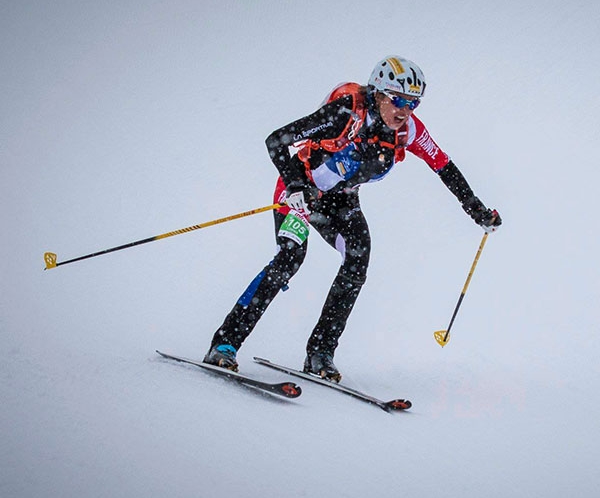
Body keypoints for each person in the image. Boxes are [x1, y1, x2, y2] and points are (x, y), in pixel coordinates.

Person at [203, 56, 501, 382]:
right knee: (290, 256)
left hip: (341, 202)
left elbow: (443, 165)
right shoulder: (345, 112)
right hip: (300, 195)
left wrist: (476, 209)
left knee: (358, 258)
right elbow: (277, 140)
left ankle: (320, 353)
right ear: (377, 93)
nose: (404, 111)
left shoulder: (409, 130)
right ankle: (225, 343)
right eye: (397, 100)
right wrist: (296, 184)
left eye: (413, 103)